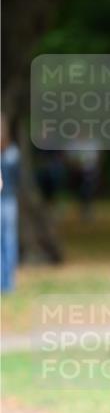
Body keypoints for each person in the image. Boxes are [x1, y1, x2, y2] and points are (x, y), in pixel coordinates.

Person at [1, 118, 20, 293]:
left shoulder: (12, 154)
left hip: (7, 201)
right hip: (6, 200)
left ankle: (9, 283)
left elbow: (15, 179)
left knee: (8, 241)